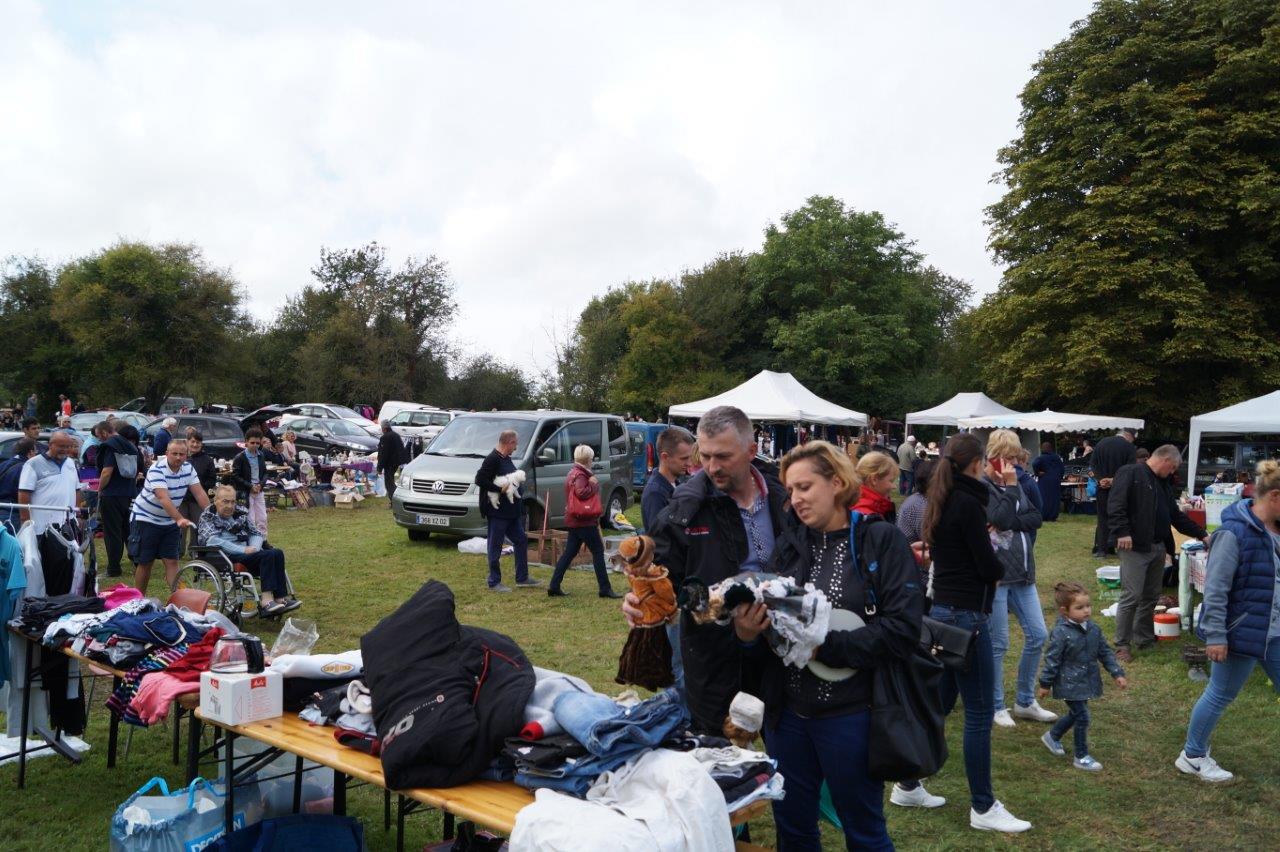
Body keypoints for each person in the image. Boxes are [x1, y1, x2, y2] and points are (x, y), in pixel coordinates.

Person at [734, 440, 922, 848]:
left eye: (805, 487)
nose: (795, 498)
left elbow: (903, 630)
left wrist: (821, 647)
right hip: (787, 717)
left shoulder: (881, 540)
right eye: (790, 489)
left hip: (853, 714)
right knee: (793, 827)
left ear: (837, 482)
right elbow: (774, 630)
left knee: (864, 829)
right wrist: (749, 635)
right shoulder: (790, 546)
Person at [625, 405, 790, 734]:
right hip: (713, 652)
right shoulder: (687, 506)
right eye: (706, 455)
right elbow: (660, 571)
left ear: (752, 451)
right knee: (714, 753)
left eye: (724, 457)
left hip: (782, 649)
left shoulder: (784, 495)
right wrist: (639, 597)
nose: (712, 467)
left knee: (787, 749)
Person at [922, 433, 1031, 833]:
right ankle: (983, 807)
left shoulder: (943, 497)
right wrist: (999, 562)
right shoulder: (966, 502)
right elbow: (986, 566)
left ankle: (908, 781)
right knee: (980, 713)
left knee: (939, 703)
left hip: (946, 612)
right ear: (976, 462)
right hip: (966, 616)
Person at [1175, 460, 1280, 783]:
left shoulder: (1275, 530)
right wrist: (1217, 636)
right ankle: (1192, 756)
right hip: (1242, 631)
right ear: (1274, 496)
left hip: (1274, 631)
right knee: (1220, 693)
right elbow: (1216, 590)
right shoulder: (1234, 533)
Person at [981, 429, 1055, 730]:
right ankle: (996, 704)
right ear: (994, 457)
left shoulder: (1016, 483)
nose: (1014, 465)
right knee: (998, 643)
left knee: (1038, 635)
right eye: (1008, 459)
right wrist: (1011, 497)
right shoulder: (984, 486)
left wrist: (1013, 519)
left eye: (1015, 459)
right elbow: (1000, 519)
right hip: (997, 575)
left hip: (1023, 572)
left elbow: (1036, 517)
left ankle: (1024, 701)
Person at [1108, 445, 1207, 662]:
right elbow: (1116, 504)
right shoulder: (1130, 473)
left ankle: (1142, 637)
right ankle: (1122, 645)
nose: (1172, 472)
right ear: (1164, 460)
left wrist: (1202, 535)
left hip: (1158, 546)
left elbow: (1175, 516)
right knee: (1131, 595)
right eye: (1172, 467)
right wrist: (1122, 532)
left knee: (1151, 596)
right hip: (1134, 546)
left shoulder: (1162, 483)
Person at [1037, 582, 1128, 771]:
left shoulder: (1093, 629)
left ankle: (1052, 736)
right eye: (1079, 607)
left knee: (1076, 713)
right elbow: (1052, 660)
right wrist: (1045, 684)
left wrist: (1116, 673)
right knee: (1083, 717)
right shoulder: (1061, 633)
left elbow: (1105, 652)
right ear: (1065, 611)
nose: (1086, 611)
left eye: (1088, 605)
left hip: (1086, 680)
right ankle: (1081, 756)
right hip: (1068, 682)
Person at [198, 485, 300, 616]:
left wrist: (255, 549)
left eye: (232, 501)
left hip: (246, 553)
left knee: (277, 553)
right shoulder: (208, 516)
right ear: (216, 500)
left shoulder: (240, 513)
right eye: (225, 501)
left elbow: (256, 533)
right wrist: (243, 549)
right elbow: (212, 541)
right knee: (267, 556)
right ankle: (267, 601)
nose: (230, 505)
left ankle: (281, 598)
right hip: (224, 556)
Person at [129, 438, 210, 592]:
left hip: (169, 520)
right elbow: (163, 497)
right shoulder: (156, 469)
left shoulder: (189, 469)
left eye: (182, 454)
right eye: (174, 454)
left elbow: (199, 493)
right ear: (166, 453)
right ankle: (139, 599)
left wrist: (212, 515)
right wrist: (179, 518)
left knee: (172, 561)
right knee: (146, 562)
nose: (178, 457)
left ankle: (180, 598)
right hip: (145, 518)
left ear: (187, 455)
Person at [547, 445, 620, 599]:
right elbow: (581, 492)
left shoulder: (572, 472)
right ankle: (605, 589)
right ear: (588, 460)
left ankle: (554, 585)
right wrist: (593, 484)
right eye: (592, 459)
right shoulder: (581, 475)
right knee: (598, 552)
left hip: (575, 520)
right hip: (584, 521)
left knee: (569, 553)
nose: (592, 462)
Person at [475, 429, 541, 592]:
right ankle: (494, 582)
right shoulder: (492, 459)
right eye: (515, 443)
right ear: (509, 442)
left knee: (520, 540)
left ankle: (522, 578)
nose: (516, 447)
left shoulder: (506, 458)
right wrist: (499, 489)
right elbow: (480, 479)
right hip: (498, 513)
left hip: (511, 513)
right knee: (495, 545)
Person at [95, 420, 140, 578]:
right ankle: (138, 564)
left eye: (99, 437)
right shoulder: (130, 445)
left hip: (112, 494)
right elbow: (139, 469)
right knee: (129, 530)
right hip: (130, 493)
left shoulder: (110, 445)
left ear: (105, 433)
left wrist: (99, 490)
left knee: (112, 532)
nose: (100, 440)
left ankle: (113, 569)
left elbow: (107, 471)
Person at [17, 431, 80, 533]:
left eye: (68, 447)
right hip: (41, 527)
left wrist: (77, 515)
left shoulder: (70, 463)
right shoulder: (33, 464)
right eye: (61, 446)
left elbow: (77, 489)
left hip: (67, 525)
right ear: (50, 445)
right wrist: (26, 523)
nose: (65, 450)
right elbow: (24, 494)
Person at [1090, 429, 1137, 558]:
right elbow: (1131, 470)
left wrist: (1101, 479)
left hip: (1102, 487)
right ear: (1129, 436)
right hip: (1121, 489)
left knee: (1102, 518)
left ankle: (1102, 549)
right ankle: (1115, 545)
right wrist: (1114, 480)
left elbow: (1093, 464)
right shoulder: (1129, 447)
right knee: (1119, 516)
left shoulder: (1101, 443)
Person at [640, 426, 695, 531]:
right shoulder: (655, 493)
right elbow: (660, 536)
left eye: (690, 458)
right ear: (665, 457)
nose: (689, 463)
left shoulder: (677, 485)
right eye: (684, 458)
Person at [232, 427, 270, 535]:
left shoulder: (261, 455)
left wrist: (261, 485)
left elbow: (265, 473)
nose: (255, 445)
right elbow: (235, 476)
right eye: (252, 442)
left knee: (262, 517)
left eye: (257, 443)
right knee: (250, 518)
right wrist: (250, 486)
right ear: (246, 442)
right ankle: (252, 541)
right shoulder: (240, 457)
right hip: (246, 492)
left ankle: (263, 540)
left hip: (259, 490)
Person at [0, 438, 38, 531]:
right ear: (30, 452)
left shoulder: (3, 464)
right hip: (14, 513)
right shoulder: (26, 468)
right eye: (36, 452)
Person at [854, 450, 898, 524]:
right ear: (874, 480)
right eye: (891, 481)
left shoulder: (873, 509)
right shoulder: (867, 519)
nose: (894, 486)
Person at [1032, 441, 1065, 522]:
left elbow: (1034, 464)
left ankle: (1044, 515)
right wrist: (1059, 477)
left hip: (1045, 480)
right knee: (1055, 498)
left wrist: (1037, 473)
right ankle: (1053, 516)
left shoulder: (1041, 458)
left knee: (1044, 497)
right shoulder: (1057, 457)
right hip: (1056, 480)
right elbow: (1062, 469)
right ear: (1051, 448)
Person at [377, 420, 405, 504]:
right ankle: (395, 499)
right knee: (391, 481)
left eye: (382, 428)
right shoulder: (396, 435)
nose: (381, 430)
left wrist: (379, 467)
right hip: (396, 462)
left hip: (389, 463)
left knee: (389, 483)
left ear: (384, 428)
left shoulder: (385, 438)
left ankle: (394, 501)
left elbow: (383, 454)